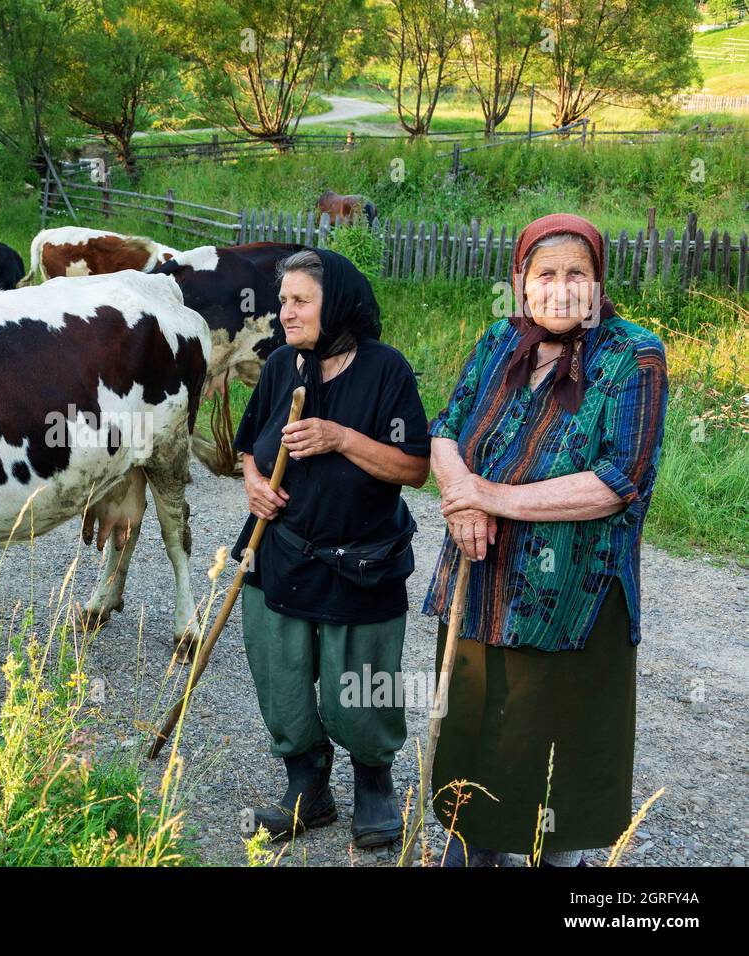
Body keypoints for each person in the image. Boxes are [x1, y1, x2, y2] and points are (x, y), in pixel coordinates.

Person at [422, 213, 669, 867]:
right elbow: (445, 427)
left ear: (598, 283)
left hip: (572, 603)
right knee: (476, 736)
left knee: (551, 758)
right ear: (520, 281)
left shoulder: (633, 355)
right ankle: (472, 850)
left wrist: (491, 497)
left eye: (577, 275)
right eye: (546, 274)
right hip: (481, 584)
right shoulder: (501, 342)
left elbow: (619, 480)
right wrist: (459, 499)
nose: (561, 290)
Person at [230, 249, 431, 846]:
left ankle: (374, 785)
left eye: (300, 301)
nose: (284, 313)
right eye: (282, 300)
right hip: (280, 553)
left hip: (361, 563)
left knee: (361, 689)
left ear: (334, 302)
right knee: (282, 681)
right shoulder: (280, 368)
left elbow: (416, 467)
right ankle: (307, 789)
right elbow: (249, 446)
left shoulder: (385, 370)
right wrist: (256, 486)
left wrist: (340, 437)